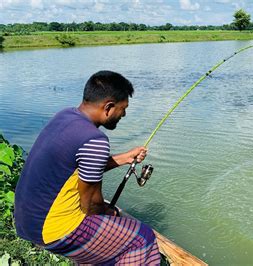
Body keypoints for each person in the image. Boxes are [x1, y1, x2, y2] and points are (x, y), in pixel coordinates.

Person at [14, 70, 161, 264]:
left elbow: (78, 167)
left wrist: (125, 158)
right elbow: (91, 206)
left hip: (26, 221)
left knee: (112, 223)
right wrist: (110, 215)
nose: (123, 114)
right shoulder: (95, 140)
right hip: (52, 230)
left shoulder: (65, 116)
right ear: (108, 107)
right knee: (142, 239)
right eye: (122, 108)